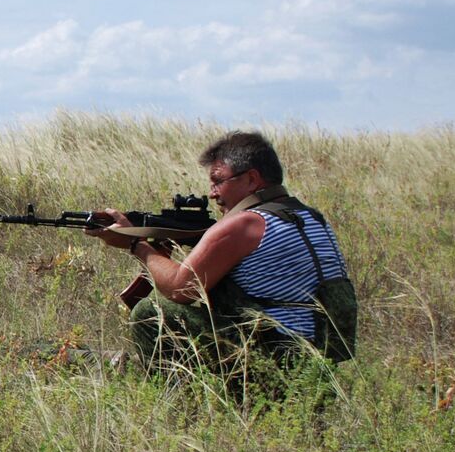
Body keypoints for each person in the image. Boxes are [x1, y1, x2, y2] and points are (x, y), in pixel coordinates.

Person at [85, 131, 355, 370]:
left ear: (251, 179)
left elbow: (181, 290)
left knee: (150, 312)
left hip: (276, 363)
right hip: (317, 366)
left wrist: (136, 244)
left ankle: (182, 404)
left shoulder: (247, 223)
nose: (212, 193)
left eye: (218, 181)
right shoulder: (310, 218)